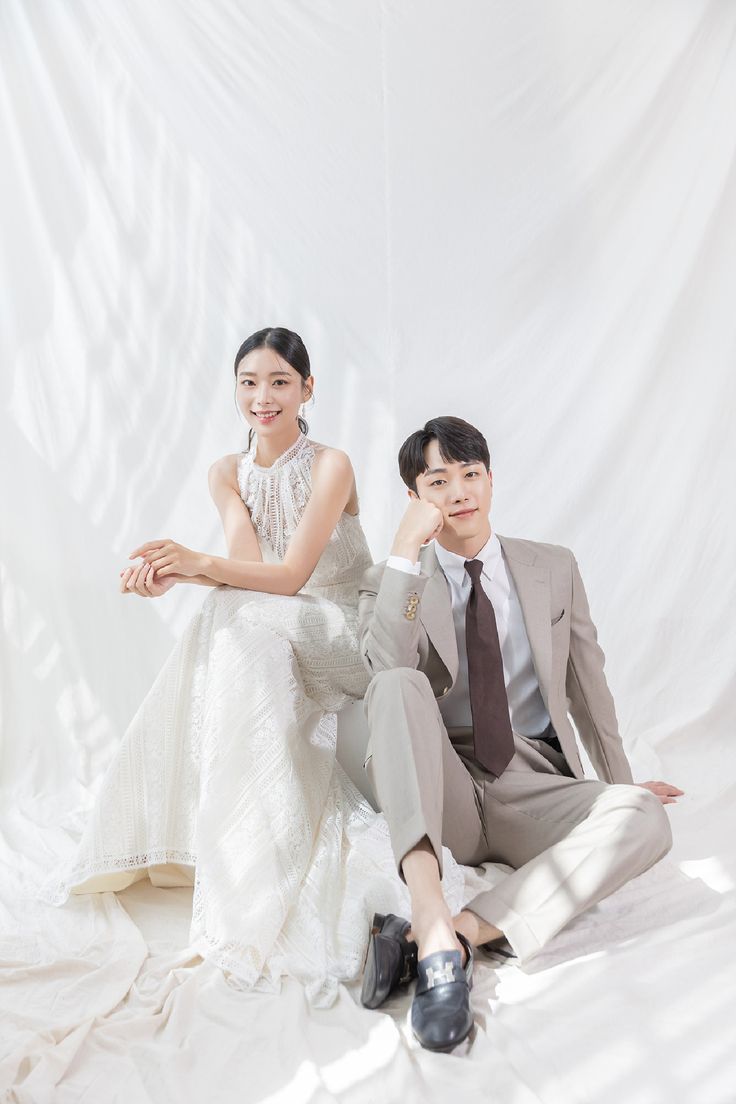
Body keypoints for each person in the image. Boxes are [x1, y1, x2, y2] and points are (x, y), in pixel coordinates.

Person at [40, 329, 464, 1006]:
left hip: (345, 630)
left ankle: (237, 871)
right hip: (275, 621)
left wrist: (193, 565)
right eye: (248, 382)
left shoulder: (332, 465)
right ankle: (239, 860)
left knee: (226, 614)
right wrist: (170, 576)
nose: (261, 397)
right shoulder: (225, 473)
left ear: (307, 389)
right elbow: (250, 579)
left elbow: (294, 575)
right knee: (227, 616)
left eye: (278, 382)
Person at [358, 415, 683, 1050]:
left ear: (490, 479)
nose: (459, 493)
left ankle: (457, 934)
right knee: (397, 682)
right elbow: (381, 675)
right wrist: (404, 552)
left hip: (535, 781)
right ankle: (427, 915)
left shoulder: (552, 568)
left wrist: (620, 786)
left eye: (471, 474)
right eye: (439, 480)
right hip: (448, 785)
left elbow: (589, 686)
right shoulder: (393, 580)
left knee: (644, 814)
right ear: (415, 496)